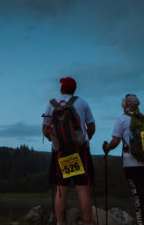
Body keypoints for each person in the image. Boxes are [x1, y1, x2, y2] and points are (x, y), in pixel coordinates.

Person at [102, 94, 144, 225]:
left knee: (139, 198)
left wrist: (107, 148)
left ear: (125, 107)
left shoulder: (122, 119)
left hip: (132, 165)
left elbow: (115, 141)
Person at [42, 77, 96, 225]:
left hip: (60, 152)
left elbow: (45, 128)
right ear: (74, 89)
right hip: (81, 150)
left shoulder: (51, 103)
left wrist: (55, 140)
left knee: (61, 189)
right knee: (83, 189)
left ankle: (60, 222)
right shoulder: (83, 103)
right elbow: (91, 127)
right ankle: (86, 222)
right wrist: (86, 138)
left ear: (61, 89)